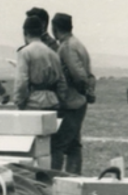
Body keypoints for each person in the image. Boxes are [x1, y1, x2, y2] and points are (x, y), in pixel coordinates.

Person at [51, 12, 94, 175]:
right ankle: (73, 177)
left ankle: (55, 177)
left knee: (59, 144)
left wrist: (81, 89)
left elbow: (79, 75)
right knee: (74, 144)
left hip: (71, 102)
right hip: (79, 101)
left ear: (54, 28)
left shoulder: (67, 47)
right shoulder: (78, 44)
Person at [13, 16, 67, 111]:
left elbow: (22, 82)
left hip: (33, 103)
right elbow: (62, 82)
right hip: (53, 102)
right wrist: (60, 99)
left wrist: (19, 102)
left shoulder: (25, 52)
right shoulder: (53, 54)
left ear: (25, 33)